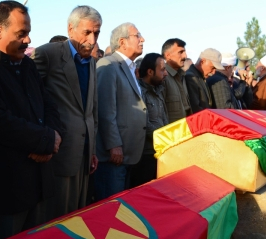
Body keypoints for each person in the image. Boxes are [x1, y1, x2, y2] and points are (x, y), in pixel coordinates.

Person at [0, 1, 63, 239]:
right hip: (8, 190)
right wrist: (45, 140)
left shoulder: (27, 64)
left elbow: (48, 105)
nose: (28, 40)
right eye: (21, 34)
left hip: (40, 183)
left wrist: (53, 139)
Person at [32, 5, 100, 220]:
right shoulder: (48, 54)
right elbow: (32, 100)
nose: (92, 40)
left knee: (79, 215)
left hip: (85, 152)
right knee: (58, 219)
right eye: (86, 32)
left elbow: (91, 108)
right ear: (71, 29)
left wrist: (93, 148)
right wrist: (43, 139)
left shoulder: (91, 63)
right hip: (59, 151)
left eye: (96, 33)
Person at [94, 22, 147, 200]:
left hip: (129, 154)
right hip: (114, 157)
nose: (142, 39)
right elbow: (105, 110)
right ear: (122, 42)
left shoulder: (129, 67)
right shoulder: (108, 65)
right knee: (111, 212)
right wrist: (113, 145)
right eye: (137, 35)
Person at [130, 52, 168, 187]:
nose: (166, 73)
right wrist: (165, 137)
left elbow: (163, 120)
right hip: (145, 155)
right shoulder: (139, 92)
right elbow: (144, 123)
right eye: (162, 70)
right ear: (150, 72)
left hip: (160, 151)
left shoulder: (158, 90)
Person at [161, 38, 191, 123]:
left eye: (184, 52)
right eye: (180, 52)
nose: (185, 56)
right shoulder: (163, 77)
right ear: (168, 55)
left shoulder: (182, 76)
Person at [185, 48, 223, 113]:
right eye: (212, 67)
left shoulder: (200, 77)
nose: (213, 72)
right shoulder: (191, 77)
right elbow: (196, 110)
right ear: (202, 62)